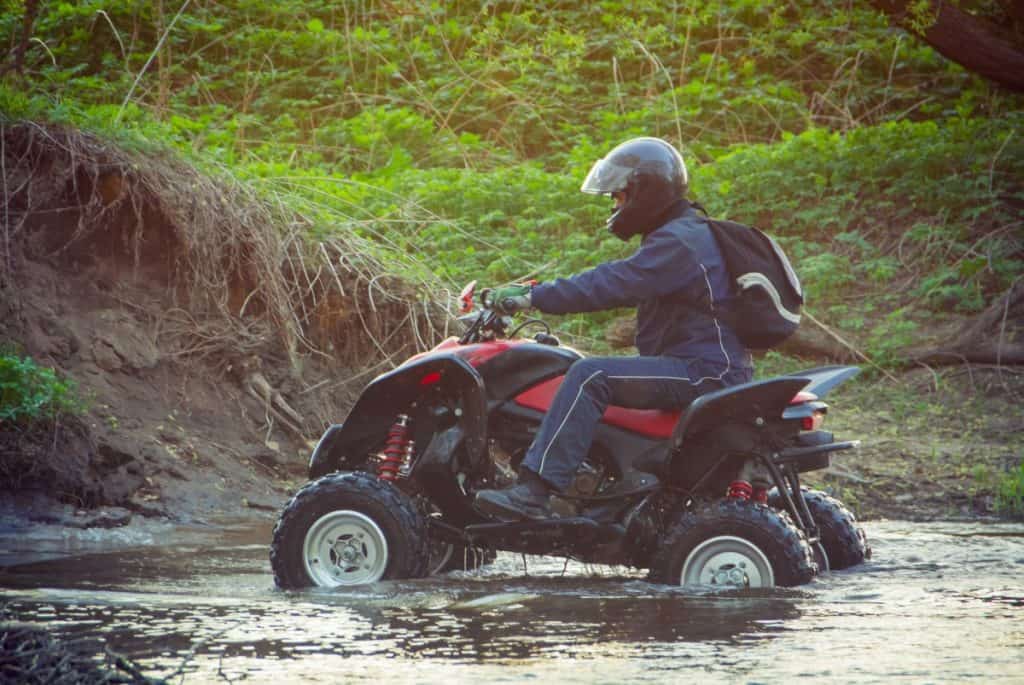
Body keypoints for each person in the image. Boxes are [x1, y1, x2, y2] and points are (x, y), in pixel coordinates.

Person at [474, 137, 753, 521]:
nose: (613, 203)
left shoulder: (679, 242)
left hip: (702, 370)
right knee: (597, 372)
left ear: (646, 191)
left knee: (591, 374)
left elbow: (610, 283)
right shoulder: (683, 233)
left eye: (618, 195)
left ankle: (534, 491)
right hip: (705, 365)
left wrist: (531, 297)